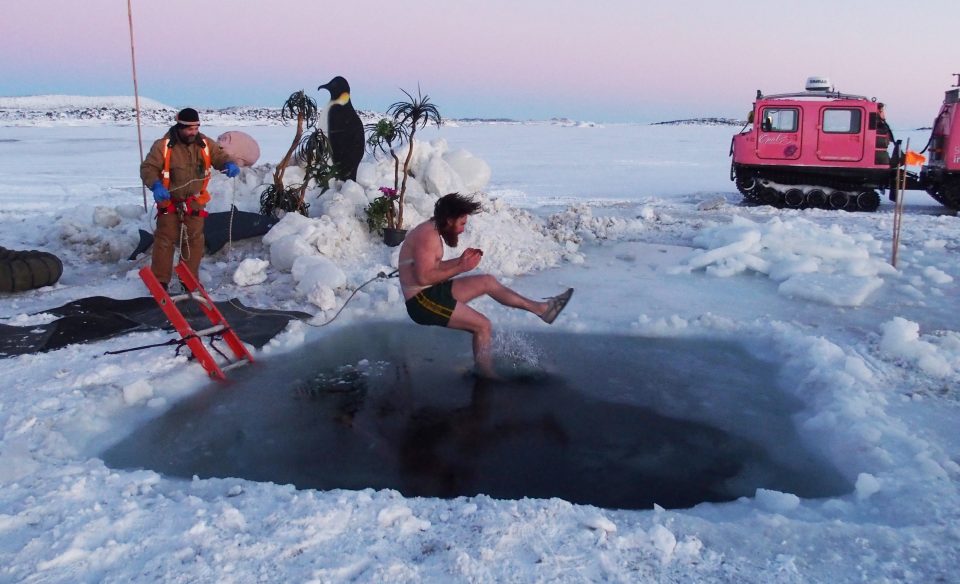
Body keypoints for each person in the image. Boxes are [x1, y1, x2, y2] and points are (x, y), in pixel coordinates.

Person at [398, 193, 573, 378]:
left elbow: (433, 268)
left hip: (430, 293)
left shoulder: (432, 230)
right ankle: (487, 377)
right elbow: (423, 278)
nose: (462, 230)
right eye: (462, 223)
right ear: (449, 220)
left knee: (487, 281)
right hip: (421, 302)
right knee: (482, 325)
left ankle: (542, 309)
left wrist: (460, 261)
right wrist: (461, 267)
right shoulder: (427, 235)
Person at [139, 108, 240, 289]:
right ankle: (160, 283)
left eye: (196, 128)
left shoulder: (205, 144)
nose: (193, 132)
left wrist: (228, 163)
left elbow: (220, 156)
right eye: (189, 129)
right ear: (179, 127)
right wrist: (155, 184)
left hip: (194, 201)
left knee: (194, 240)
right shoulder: (163, 145)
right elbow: (148, 167)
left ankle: (189, 281)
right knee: (165, 239)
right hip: (169, 200)